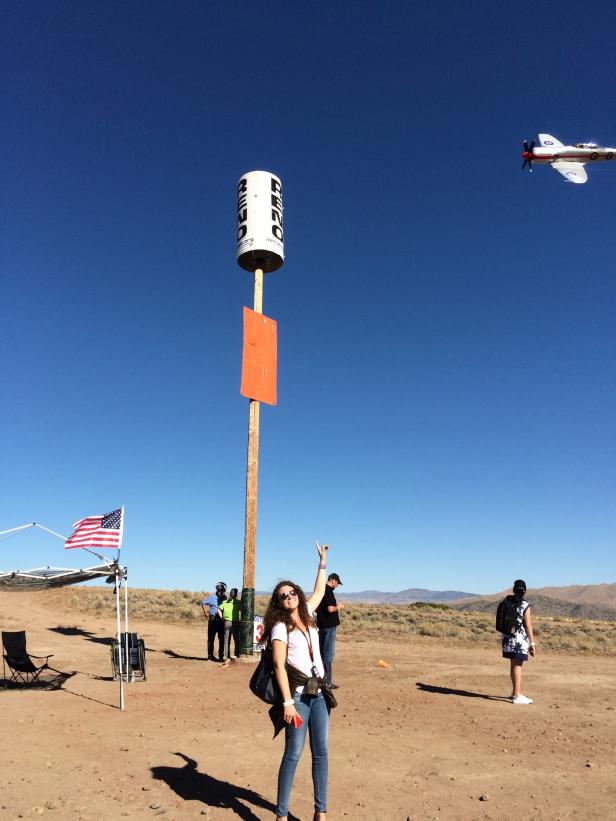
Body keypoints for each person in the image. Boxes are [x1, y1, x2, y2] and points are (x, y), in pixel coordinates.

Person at [261, 543, 335, 821]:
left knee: (322, 752)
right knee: (293, 753)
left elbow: (319, 591)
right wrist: (288, 704)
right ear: (278, 603)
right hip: (298, 699)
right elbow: (279, 666)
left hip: (319, 695)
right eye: (283, 596)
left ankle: (321, 811)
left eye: (292, 592)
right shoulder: (281, 627)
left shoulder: (308, 615)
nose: (289, 597)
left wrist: (322, 562)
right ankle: (281, 815)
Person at [500, 579, 536, 704]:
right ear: (524, 591)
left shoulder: (506, 601)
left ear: (514, 590)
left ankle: (514, 692)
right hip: (519, 639)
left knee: (513, 665)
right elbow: (528, 625)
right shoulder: (525, 605)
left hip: (507, 638)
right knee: (518, 666)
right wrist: (532, 643)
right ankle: (517, 695)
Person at [315, 572, 343, 688]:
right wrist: (339, 607)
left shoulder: (320, 591)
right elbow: (330, 609)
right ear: (333, 581)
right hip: (329, 626)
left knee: (321, 652)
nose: (337, 586)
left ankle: (320, 679)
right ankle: (326, 682)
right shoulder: (329, 592)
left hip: (321, 625)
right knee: (328, 655)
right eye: (337, 583)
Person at [201, 582, 227, 661]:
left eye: (222, 590)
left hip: (221, 620)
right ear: (217, 590)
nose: (220, 592)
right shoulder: (212, 597)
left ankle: (221, 656)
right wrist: (206, 613)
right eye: (219, 590)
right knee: (211, 638)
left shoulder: (224, 598)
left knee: (221, 639)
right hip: (212, 619)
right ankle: (210, 656)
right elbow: (203, 603)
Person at [219, 587, 241, 661]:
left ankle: (226, 656)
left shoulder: (225, 602)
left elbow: (218, 609)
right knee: (236, 640)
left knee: (227, 640)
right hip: (235, 623)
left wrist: (222, 618)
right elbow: (243, 611)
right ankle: (236, 655)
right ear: (236, 594)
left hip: (227, 622)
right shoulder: (238, 602)